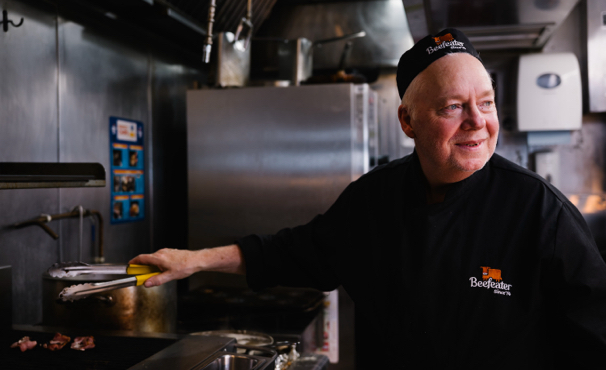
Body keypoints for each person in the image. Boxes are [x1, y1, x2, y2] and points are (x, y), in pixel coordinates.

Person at [130, 29, 606, 368]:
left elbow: (595, 334)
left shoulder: (539, 211)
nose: (477, 121)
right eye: (453, 107)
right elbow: (294, 253)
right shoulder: (374, 199)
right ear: (407, 121)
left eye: (485, 102)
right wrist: (193, 261)